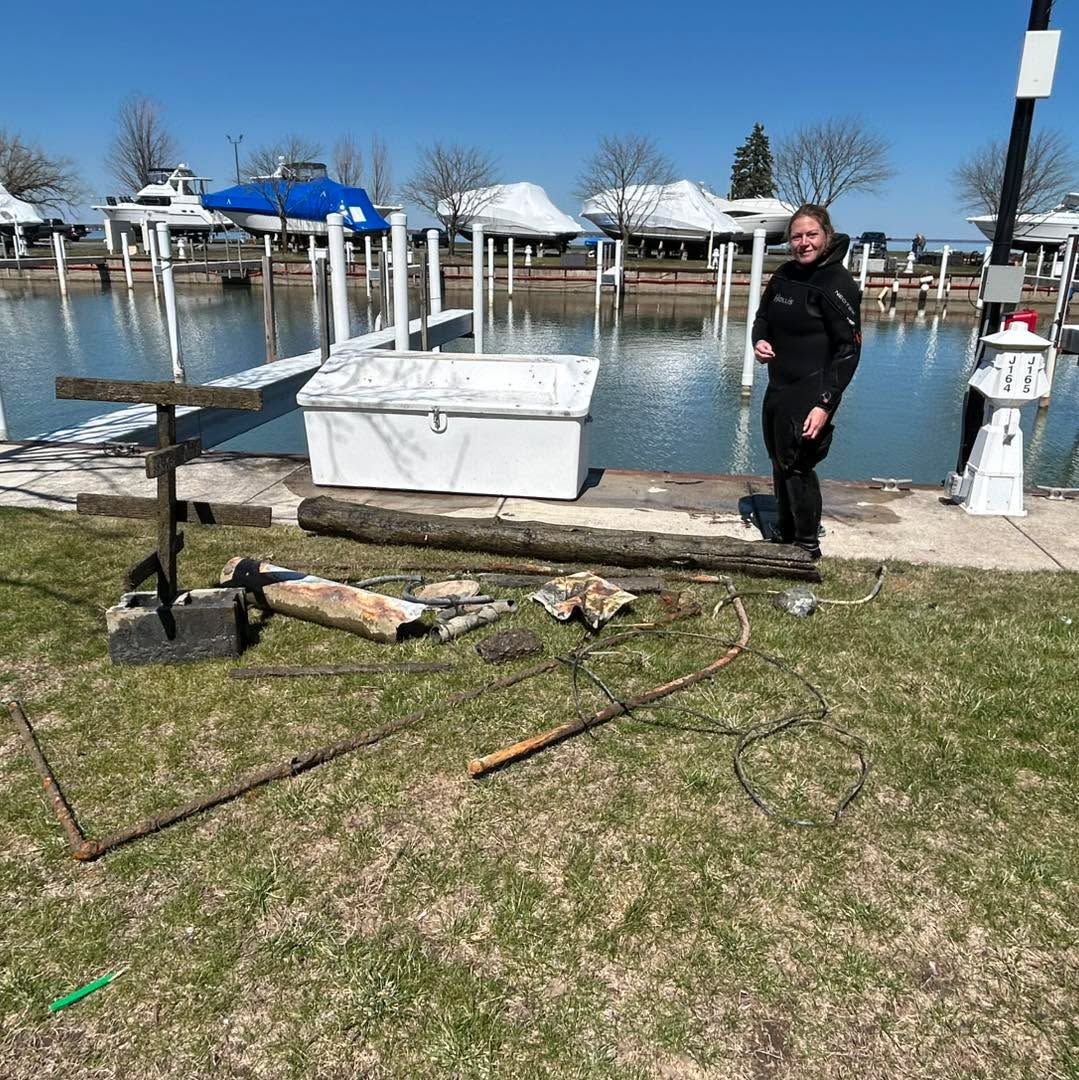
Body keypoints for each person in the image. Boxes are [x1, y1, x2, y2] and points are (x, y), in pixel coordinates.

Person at [751, 204, 862, 559]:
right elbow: (762, 317)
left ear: (826, 235)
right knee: (778, 460)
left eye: (811, 234)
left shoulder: (837, 283)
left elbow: (848, 351)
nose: (803, 243)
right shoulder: (785, 274)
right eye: (797, 236)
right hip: (779, 385)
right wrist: (760, 340)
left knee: (799, 464)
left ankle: (806, 546)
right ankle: (784, 535)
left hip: (813, 388)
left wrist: (825, 403)